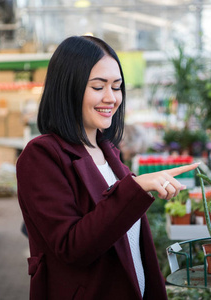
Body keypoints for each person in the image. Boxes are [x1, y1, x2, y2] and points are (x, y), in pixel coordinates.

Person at [16, 35, 199, 300]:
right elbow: (72, 247)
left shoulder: (109, 152)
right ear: (69, 87)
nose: (111, 98)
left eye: (117, 86)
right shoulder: (42, 155)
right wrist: (134, 188)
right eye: (98, 86)